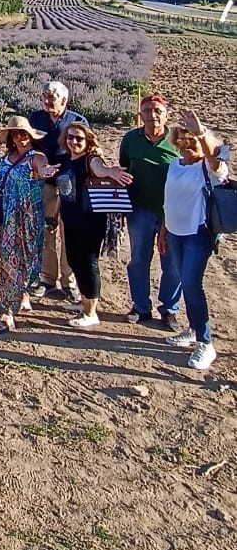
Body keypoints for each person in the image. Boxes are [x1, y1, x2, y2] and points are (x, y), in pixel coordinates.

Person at [161, 110, 228, 372]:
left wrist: (202, 133)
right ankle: (192, 329)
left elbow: (216, 158)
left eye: (193, 139)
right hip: (175, 232)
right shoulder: (175, 164)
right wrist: (164, 231)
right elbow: (169, 201)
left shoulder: (208, 167)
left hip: (197, 233)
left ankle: (205, 342)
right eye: (183, 137)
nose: (187, 143)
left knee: (191, 282)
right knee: (183, 280)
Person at [55, 125, 132, 329]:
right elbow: (63, 191)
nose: (74, 141)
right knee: (74, 260)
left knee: (88, 264)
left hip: (90, 221)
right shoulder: (66, 160)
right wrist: (57, 215)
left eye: (79, 138)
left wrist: (109, 172)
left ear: (88, 140)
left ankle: (91, 312)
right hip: (70, 220)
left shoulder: (91, 159)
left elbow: (100, 169)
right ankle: (83, 300)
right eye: (70, 137)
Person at [120, 94, 182, 329]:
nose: (152, 115)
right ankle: (140, 306)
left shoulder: (177, 140)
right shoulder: (130, 139)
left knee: (173, 262)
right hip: (140, 208)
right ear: (140, 114)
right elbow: (124, 167)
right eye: (147, 110)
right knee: (139, 258)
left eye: (157, 110)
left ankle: (169, 309)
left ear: (166, 114)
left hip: (174, 212)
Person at [0, 117, 59, 334]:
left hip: (29, 218)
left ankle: (23, 293)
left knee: (29, 259)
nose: (19, 136)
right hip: (7, 217)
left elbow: (43, 167)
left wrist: (46, 171)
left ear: (30, 136)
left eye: (23, 133)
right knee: (8, 261)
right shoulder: (5, 158)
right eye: (15, 133)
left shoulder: (36, 157)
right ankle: (7, 311)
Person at [28, 81, 88, 299]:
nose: (46, 101)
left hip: (69, 183)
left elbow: (87, 150)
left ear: (64, 100)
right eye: (44, 96)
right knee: (46, 229)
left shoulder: (77, 121)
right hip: (44, 183)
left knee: (69, 231)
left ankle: (69, 280)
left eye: (51, 98)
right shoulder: (35, 119)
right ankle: (47, 277)